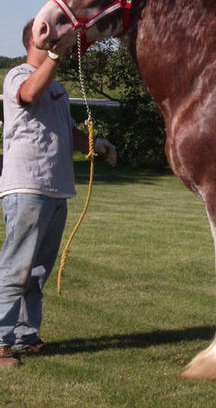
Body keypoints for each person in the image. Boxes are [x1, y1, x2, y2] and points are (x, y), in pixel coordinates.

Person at [0, 19, 116, 368]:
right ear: (36, 39)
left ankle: (25, 335)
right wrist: (53, 54)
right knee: (16, 267)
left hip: (55, 189)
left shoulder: (58, 87)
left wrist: (97, 144)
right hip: (27, 186)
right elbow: (29, 95)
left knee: (36, 271)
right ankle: (0, 340)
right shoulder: (17, 75)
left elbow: (68, 134)